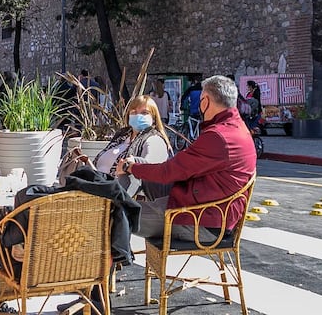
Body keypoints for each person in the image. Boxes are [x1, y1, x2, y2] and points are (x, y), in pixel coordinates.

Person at [120, 75, 256, 241]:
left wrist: (131, 168)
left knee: (116, 213)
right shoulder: (237, 128)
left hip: (201, 219)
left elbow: (168, 172)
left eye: (200, 101)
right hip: (209, 206)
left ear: (205, 101)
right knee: (143, 169)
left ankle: (111, 257)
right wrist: (138, 166)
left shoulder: (218, 136)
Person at [79, 95, 172, 199]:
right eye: (134, 112)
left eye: (144, 113)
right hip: (98, 188)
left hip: (117, 197)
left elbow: (153, 167)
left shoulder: (154, 139)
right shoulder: (122, 135)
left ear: (154, 118)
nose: (138, 116)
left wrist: (131, 164)